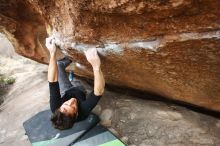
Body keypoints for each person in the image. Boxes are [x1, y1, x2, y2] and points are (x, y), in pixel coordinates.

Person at [45, 36, 105, 130]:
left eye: (65, 104)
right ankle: (73, 79)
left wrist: (52, 52)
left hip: (66, 91)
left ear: (60, 107)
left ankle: (71, 58)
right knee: (77, 83)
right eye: (73, 107)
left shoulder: (55, 108)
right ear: (76, 114)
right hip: (80, 91)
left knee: (58, 65)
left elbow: (52, 81)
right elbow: (98, 92)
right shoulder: (83, 113)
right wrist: (96, 66)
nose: (71, 101)